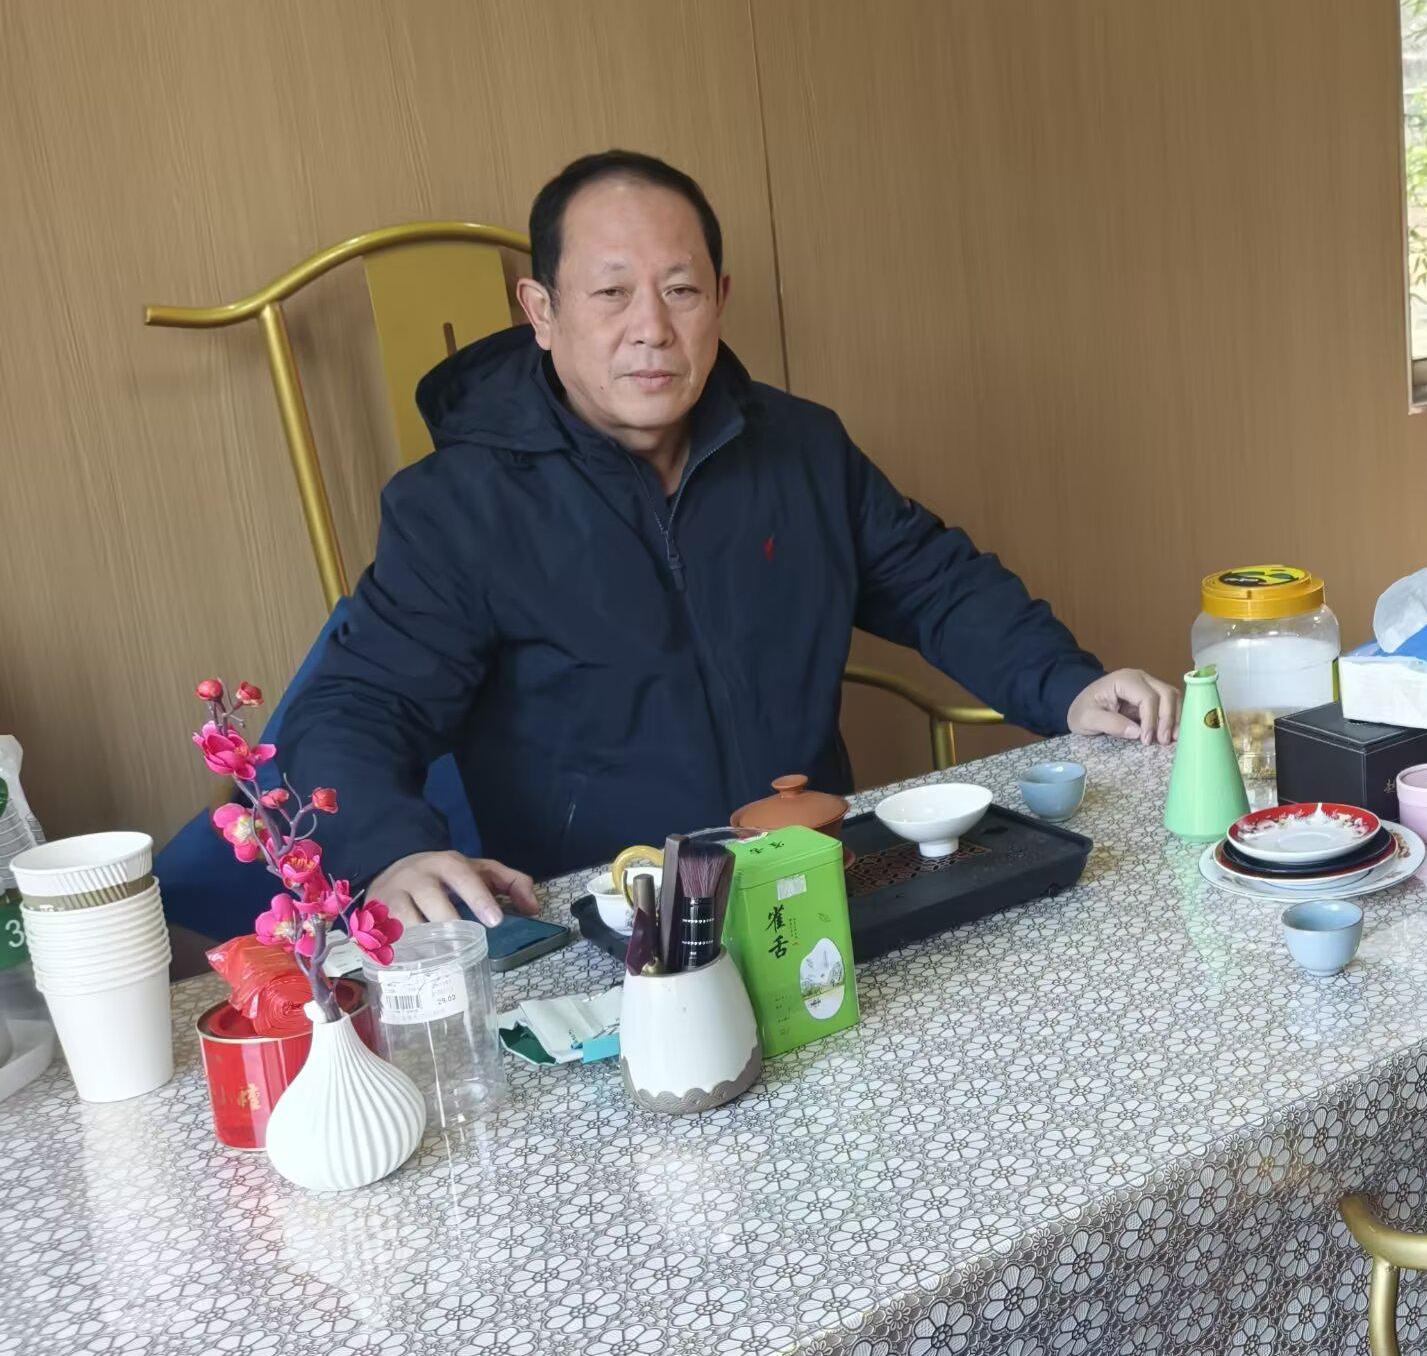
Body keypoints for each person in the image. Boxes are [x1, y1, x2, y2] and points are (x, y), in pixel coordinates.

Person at [168, 151, 1176, 930]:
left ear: (719, 301)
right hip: (609, 921)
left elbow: (936, 581)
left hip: (814, 885)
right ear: (541, 311)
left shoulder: (802, 449)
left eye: (682, 290)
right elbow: (356, 706)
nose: (652, 327)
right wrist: (391, 851)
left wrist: (1069, 684)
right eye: (611, 293)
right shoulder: (457, 506)